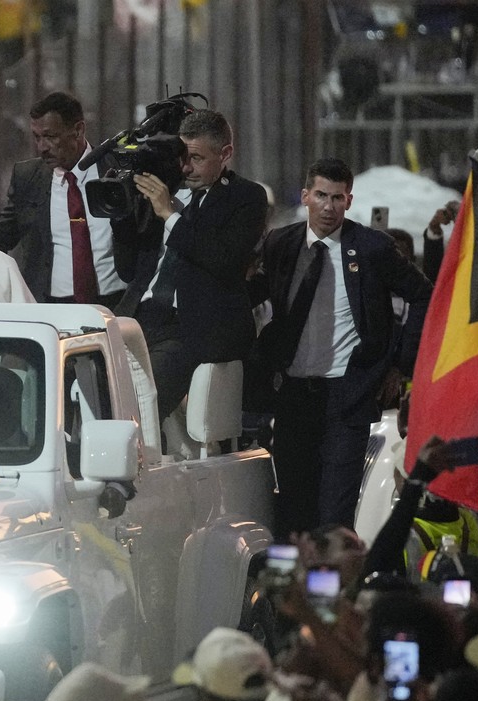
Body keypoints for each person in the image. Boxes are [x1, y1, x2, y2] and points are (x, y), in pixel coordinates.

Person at [250, 157, 433, 536]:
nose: (329, 207)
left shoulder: (371, 248)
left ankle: (332, 592)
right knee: (293, 510)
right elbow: (253, 295)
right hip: (295, 397)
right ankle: (296, 594)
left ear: (349, 201)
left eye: (338, 198)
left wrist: (401, 365)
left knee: (334, 515)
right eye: (321, 196)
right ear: (305, 197)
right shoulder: (281, 244)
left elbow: (424, 296)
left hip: (345, 397)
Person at [112, 110, 267, 422]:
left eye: (196, 158)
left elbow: (224, 260)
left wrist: (170, 215)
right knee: (80, 379)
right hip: (138, 315)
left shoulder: (246, 197)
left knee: (137, 404)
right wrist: (123, 213)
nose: (186, 167)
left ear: (226, 154)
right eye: (182, 156)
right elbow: (129, 270)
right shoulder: (166, 189)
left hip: (191, 325)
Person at [0, 92, 126, 307]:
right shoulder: (28, 178)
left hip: (116, 304)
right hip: (53, 308)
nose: (42, 147)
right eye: (37, 137)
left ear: (78, 130)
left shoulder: (118, 170)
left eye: (50, 137)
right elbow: (0, 236)